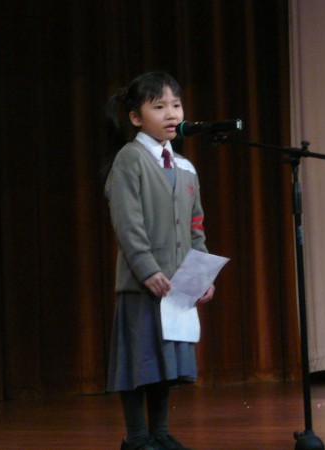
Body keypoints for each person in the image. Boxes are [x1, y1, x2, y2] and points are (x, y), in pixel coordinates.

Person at [104, 71, 215, 450]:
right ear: (136, 117)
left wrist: (201, 274)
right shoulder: (130, 159)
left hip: (178, 286)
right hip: (143, 284)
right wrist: (147, 268)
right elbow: (127, 221)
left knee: (166, 364)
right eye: (159, 106)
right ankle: (136, 436)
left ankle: (159, 432)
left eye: (176, 105)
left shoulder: (185, 166)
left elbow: (196, 226)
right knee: (141, 361)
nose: (171, 114)